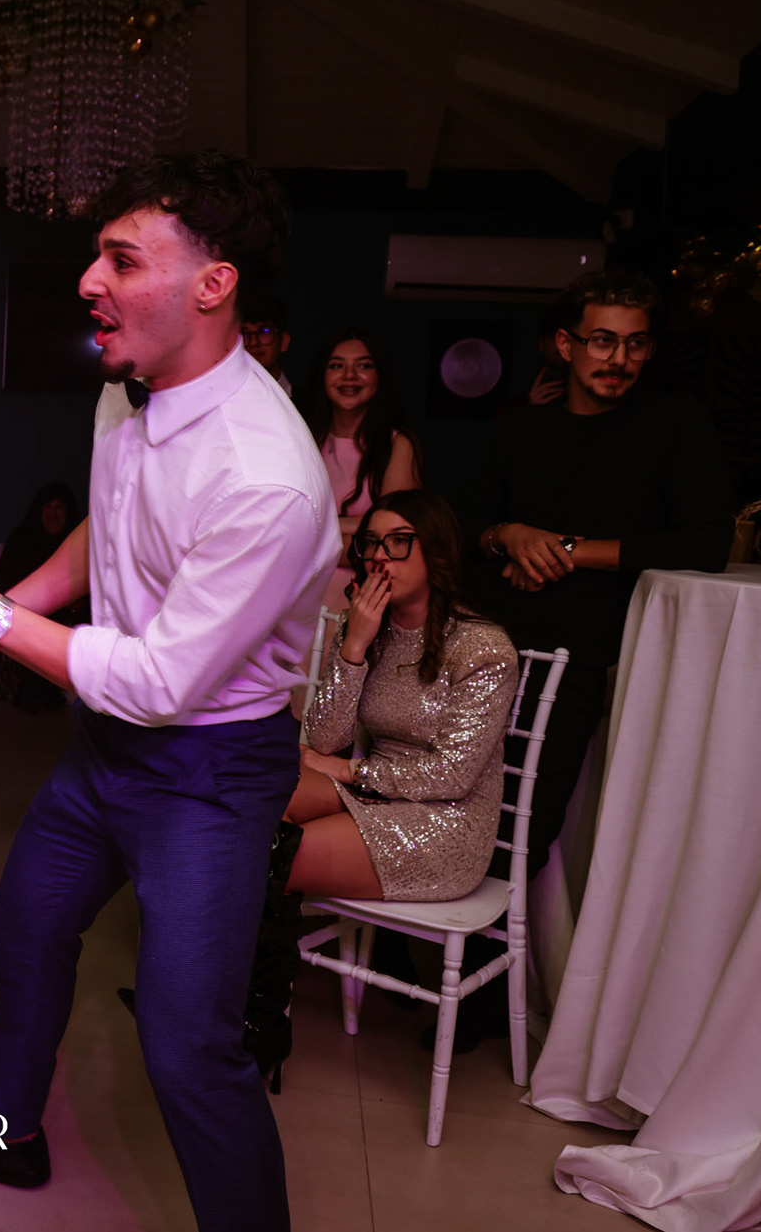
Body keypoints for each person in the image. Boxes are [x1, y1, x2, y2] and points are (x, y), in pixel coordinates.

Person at [0, 151, 336, 1232]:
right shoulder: (129, 387)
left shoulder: (267, 477)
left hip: (209, 771)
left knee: (187, 1041)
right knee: (26, 926)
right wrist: (9, 599)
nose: (88, 280)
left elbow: (163, 680)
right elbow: (108, 532)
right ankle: (3, 1132)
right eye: (95, 256)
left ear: (213, 284)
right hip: (104, 750)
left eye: (122, 259)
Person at [456, 268, 732, 1048]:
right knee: (450, 793)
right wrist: (509, 536)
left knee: (524, 821)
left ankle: (481, 985)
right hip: (488, 647)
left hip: (583, 657)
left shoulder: (673, 424)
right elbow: (466, 527)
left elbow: (705, 542)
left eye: (636, 344)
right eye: (603, 341)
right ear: (565, 344)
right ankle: (433, 952)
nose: (620, 359)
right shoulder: (518, 429)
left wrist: (569, 551)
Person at [237, 491, 520, 1077]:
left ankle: (246, 1028)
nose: (379, 557)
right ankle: (209, 1001)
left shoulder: (485, 648)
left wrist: (351, 771)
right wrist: (355, 646)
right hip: (374, 795)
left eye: (399, 542)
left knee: (268, 853)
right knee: (248, 801)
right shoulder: (367, 626)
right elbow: (323, 739)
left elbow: (452, 774)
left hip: (444, 825)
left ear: (435, 551)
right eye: (370, 543)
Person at [298, 328, 421, 613]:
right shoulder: (302, 439)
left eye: (363, 366)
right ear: (322, 375)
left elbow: (390, 537)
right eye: (336, 366)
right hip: (297, 587)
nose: (349, 376)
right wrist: (355, 530)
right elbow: (285, 525)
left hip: (365, 594)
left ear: (380, 376)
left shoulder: (397, 444)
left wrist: (318, 531)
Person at [0, 482, 87, 712]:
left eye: (59, 507)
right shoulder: (21, 542)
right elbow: (7, 592)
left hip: (69, 623)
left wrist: (76, 604)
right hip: (24, 619)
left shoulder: (80, 545)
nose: (53, 514)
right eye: (48, 507)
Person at [240, 294, 292, 394]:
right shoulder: (221, 399)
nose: (253, 342)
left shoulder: (309, 401)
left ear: (284, 341)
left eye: (264, 331)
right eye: (245, 333)